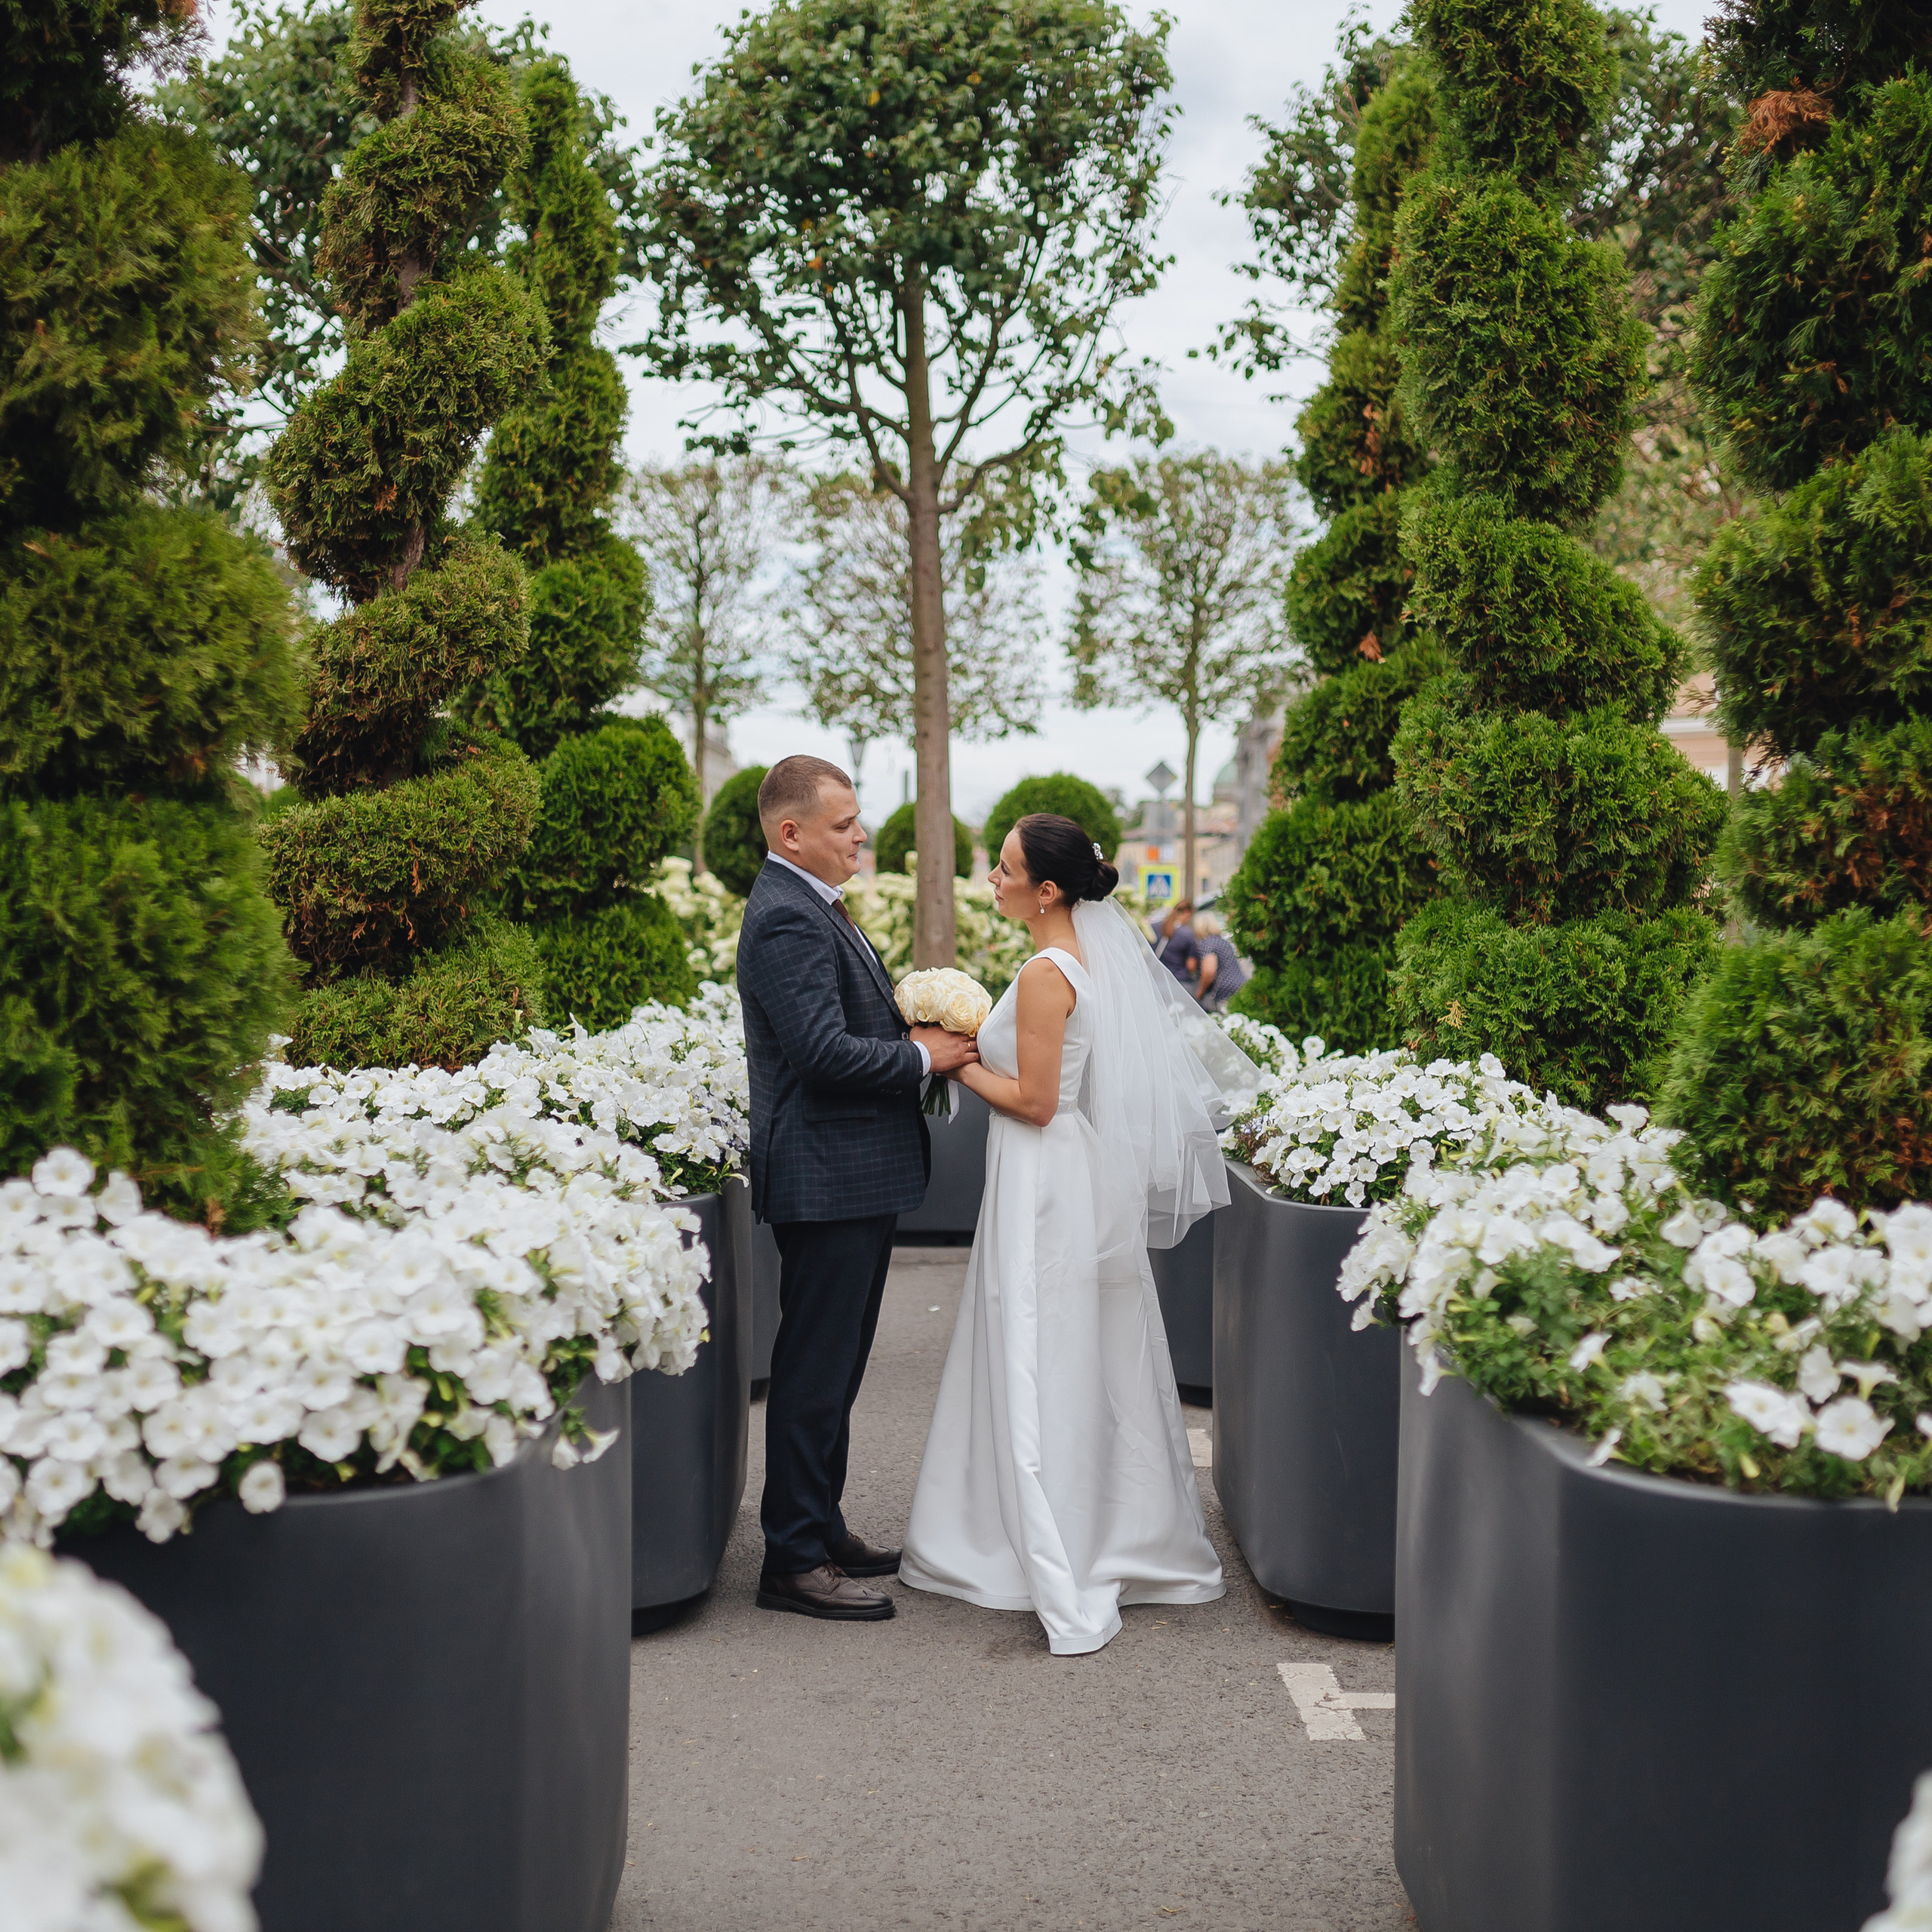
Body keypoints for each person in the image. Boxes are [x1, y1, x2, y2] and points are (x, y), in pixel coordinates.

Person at [900, 815, 1257, 1654]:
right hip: (1067, 1170)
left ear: (1046, 890)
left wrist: (951, 1061)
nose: (993, 878)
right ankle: (1102, 1518)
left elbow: (1034, 1100)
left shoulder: (1045, 971)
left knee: (1037, 1339)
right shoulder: (1080, 960)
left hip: (1044, 1177)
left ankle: (1046, 1535)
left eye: (1004, 868)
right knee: (1078, 1346)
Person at [734, 755, 980, 1623]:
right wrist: (925, 1055)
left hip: (850, 1175)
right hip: (826, 1177)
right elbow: (822, 1055)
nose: (860, 835)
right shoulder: (785, 919)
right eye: (843, 824)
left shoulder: (810, 905)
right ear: (789, 832)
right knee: (813, 1371)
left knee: (833, 1371)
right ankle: (794, 1559)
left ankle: (821, 1525)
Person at [1189, 912, 1247, 1013]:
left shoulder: (1207, 943)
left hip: (1223, 990)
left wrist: (1200, 992)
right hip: (1239, 986)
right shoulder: (1222, 941)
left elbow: (1209, 972)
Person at [1155, 901, 1197, 986]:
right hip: (1179, 981)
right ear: (1187, 912)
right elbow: (1191, 965)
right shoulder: (1188, 934)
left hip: (1157, 980)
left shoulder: (1155, 927)